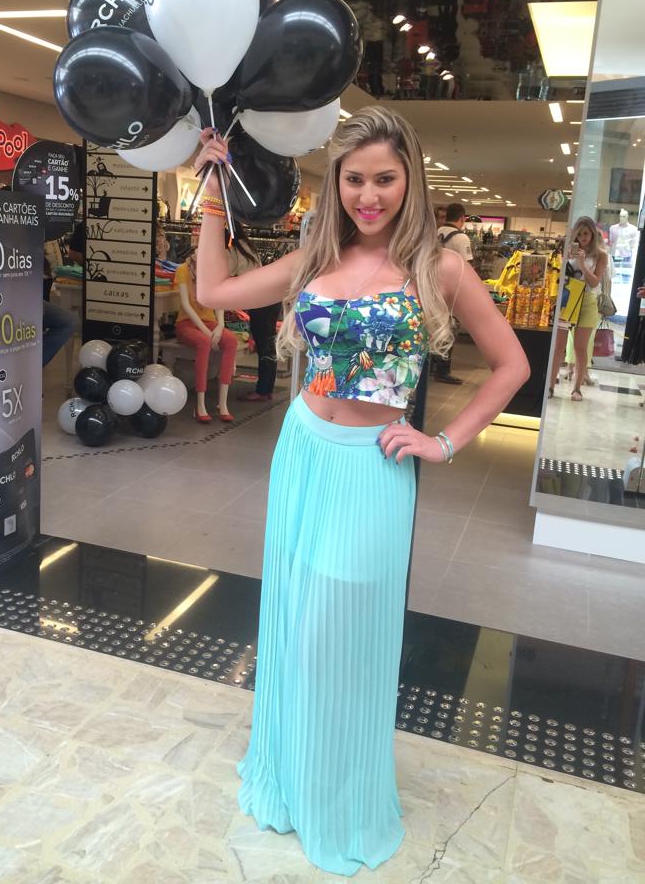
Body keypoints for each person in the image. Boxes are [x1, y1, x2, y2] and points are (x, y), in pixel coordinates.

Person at [193, 106, 528, 877]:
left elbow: (511, 365)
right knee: (293, 621)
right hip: (304, 452)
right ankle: (292, 774)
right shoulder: (316, 257)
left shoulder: (440, 269)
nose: (368, 196)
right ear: (336, 182)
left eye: (384, 179)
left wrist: (443, 441)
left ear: (410, 180)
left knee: (336, 635)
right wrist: (211, 186)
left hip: (373, 466)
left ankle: (339, 797)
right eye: (353, 180)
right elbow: (212, 289)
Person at [174, 246, 238, 422]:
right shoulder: (183, 270)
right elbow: (186, 305)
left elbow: (218, 300)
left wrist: (220, 326)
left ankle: (222, 403)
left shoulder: (211, 271)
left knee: (231, 341)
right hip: (186, 323)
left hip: (209, 322)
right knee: (204, 342)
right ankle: (200, 404)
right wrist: (207, 332)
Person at [548, 216, 607, 402]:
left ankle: (577, 389)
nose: (582, 238)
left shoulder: (600, 255)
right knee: (558, 347)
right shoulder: (567, 250)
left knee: (580, 347)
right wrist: (565, 259)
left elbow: (595, 282)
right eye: (579, 234)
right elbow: (557, 276)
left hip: (587, 301)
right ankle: (550, 386)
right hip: (567, 299)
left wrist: (582, 263)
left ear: (593, 234)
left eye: (586, 233)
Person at [227, 221, 281, 402]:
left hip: (260, 299)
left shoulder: (232, 249)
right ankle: (266, 388)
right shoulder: (247, 245)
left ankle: (263, 390)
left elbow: (227, 273)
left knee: (265, 344)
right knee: (268, 344)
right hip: (269, 295)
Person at [432, 202, 474, 384]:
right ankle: (442, 370)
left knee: (434, 326)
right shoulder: (461, 238)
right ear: (462, 218)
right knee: (449, 329)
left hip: (432, 286)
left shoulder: (435, 232)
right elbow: (467, 267)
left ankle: (431, 366)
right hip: (450, 290)